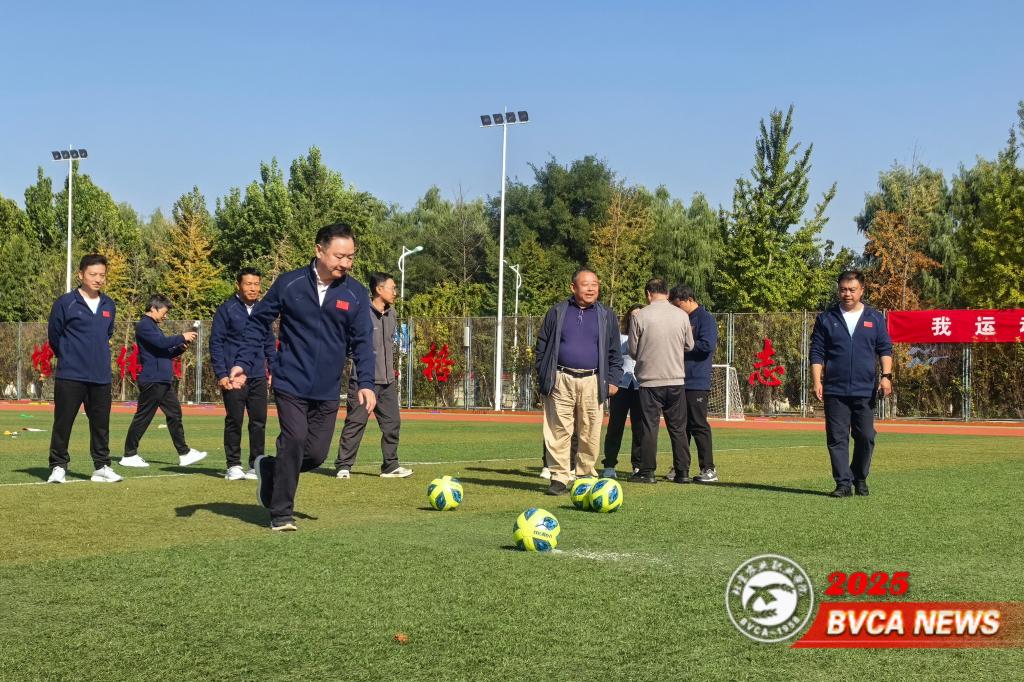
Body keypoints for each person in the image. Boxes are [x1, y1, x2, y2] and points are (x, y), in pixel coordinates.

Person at [228, 222, 376, 531]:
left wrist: (366, 383)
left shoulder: (356, 293)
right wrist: (242, 361)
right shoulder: (289, 284)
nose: (346, 264)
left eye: (351, 257)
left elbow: (363, 341)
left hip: (327, 388)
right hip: (290, 381)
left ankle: (270, 467)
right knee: (294, 440)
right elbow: (258, 323)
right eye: (339, 256)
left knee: (316, 455)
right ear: (319, 250)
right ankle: (281, 513)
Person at [535, 269, 622, 495]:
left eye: (595, 284)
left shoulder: (606, 315)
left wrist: (613, 379)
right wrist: (544, 374)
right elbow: (542, 345)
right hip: (560, 378)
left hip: (593, 380)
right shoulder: (557, 311)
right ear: (573, 287)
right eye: (586, 284)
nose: (591, 288)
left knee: (590, 431)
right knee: (558, 430)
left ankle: (585, 477)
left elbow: (614, 351)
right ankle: (559, 478)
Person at [810, 270, 893, 497]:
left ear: (862, 290)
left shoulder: (875, 318)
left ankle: (859, 476)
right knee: (837, 438)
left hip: (865, 389)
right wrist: (817, 381)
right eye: (843, 289)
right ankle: (843, 484)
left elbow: (885, 349)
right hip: (834, 389)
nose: (847, 294)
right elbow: (817, 352)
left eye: (852, 290)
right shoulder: (826, 318)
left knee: (866, 436)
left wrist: (886, 376)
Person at [45, 254, 122, 484]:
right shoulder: (65, 303)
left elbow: (107, 334)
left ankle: (102, 466)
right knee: (63, 423)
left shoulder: (109, 305)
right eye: (93, 274)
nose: (98, 279)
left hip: (100, 376)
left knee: (101, 425)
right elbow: (54, 336)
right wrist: (69, 356)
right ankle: (58, 466)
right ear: (81, 275)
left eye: (102, 275)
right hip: (70, 375)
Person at [334, 271, 412, 479]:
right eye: (392, 288)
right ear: (379, 289)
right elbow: (348, 343)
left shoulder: (392, 314)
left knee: (392, 424)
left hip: (387, 382)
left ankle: (390, 465)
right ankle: (343, 466)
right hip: (363, 381)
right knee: (355, 423)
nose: (395, 292)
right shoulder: (361, 312)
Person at [119, 295, 208, 469]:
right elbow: (161, 343)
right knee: (144, 417)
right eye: (164, 312)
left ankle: (184, 453)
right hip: (153, 380)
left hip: (161, 380)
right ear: (153, 308)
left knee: (174, 414)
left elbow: (163, 352)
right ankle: (129, 454)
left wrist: (180, 348)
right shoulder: (144, 325)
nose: (166, 316)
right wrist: (181, 336)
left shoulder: (153, 327)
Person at [210, 268, 275, 481]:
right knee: (234, 420)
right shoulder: (226, 310)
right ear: (238, 285)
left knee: (259, 422)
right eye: (248, 284)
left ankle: (256, 465)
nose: (253, 288)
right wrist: (221, 374)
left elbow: (269, 343)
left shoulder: (263, 311)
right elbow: (216, 343)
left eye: (256, 284)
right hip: (233, 378)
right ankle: (233, 465)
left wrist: (272, 369)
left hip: (258, 376)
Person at [628, 277, 694, 484]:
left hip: (649, 380)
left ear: (648, 294)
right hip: (675, 380)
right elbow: (690, 345)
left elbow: (632, 350)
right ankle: (682, 472)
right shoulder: (681, 315)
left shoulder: (640, 316)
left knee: (650, 427)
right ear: (667, 293)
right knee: (678, 428)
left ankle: (647, 471)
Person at [667, 285, 719, 483]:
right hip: (678, 378)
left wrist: (682, 345)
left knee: (698, 424)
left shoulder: (705, 319)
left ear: (688, 300)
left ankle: (709, 468)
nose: (676, 309)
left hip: (696, 380)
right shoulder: (681, 319)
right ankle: (681, 466)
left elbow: (707, 345)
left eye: (678, 305)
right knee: (680, 426)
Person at [601, 305, 643, 479]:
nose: (636, 319)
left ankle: (638, 466)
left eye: (639, 316)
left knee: (640, 428)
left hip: (640, 386)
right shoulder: (619, 336)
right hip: (621, 386)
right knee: (615, 426)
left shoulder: (648, 336)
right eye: (633, 316)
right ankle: (609, 465)